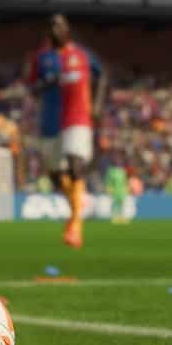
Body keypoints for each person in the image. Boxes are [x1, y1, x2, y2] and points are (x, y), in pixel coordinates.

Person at [30, 14, 104, 249]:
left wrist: (97, 104)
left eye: (60, 26)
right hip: (51, 122)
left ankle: (75, 224)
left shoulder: (81, 55)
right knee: (55, 174)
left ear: (67, 30)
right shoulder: (42, 58)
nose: (56, 29)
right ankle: (75, 213)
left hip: (77, 117)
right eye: (52, 25)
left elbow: (102, 74)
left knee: (75, 163)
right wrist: (48, 82)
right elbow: (33, 87)